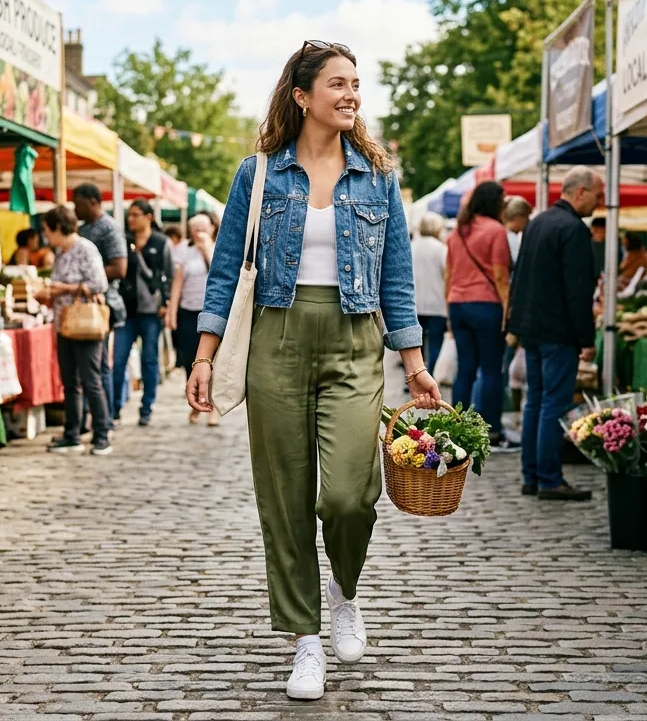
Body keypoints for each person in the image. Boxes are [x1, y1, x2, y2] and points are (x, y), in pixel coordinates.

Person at [186, 40, 441, 702]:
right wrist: (205, 353)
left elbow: (396, 277)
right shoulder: (260, 173)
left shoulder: (378, 175)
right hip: (277, 337)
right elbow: (223, 275)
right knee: (286, 500)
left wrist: (414, 364)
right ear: (301, 96)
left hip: (355, 339)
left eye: (356, 83)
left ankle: (344, 591)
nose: (351, 94)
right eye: (337, 83)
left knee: (350, 496)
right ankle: (304, 641)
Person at [509, 165, 604, 502]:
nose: (600, 202)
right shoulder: (574, 230)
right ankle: (549, 478)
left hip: (532, 327)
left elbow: (519, 278)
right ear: (580, 192)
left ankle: (532, 476)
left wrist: (515, 325)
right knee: (553, 404)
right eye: (598, 195)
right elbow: (578, 292)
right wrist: (586, 339)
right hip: (557, 331)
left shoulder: (537, 222)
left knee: (535, 400)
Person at [40, 206, 113, 455]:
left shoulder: (85, 248)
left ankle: (102, 434)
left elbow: (99, 284)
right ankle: (72, 433)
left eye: (48, 230)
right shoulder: (61, 252)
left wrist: (62, 288)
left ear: (59, 227)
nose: (46, 236)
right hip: (64, 325)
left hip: (85, 326)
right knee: (70, 382)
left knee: (91, 380)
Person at [445, 180, 511, 448]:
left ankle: (456, 425)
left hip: (457, 304)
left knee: (466, 369)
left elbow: (448, 275)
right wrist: (508, 311)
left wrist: (449, 310)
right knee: (492, 370)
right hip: (486, 305)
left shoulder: (457, 232)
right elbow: (499, 275)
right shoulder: (496, 231)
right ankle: (491, 429)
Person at [73, 182, 128, 430]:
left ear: (93, 202)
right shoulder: (83, 229)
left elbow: (119, 268)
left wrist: (88, 278)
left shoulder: (109, 229)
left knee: (99, 366)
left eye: (78, 203)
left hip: (101, 307)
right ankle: (91, 418)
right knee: (87, 368)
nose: (75, 208)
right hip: (82, 307)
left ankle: (105, 420)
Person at [114, 199, 172, 426]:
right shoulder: (124, 241)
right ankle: (114, 409)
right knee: (118, 361)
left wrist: (166, 302)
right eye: (129, 215)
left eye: (135, 214)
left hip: (151, 311)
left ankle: (146, 407)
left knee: (149, 359)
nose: (130, 219)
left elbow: (168, 274)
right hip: (127, 310)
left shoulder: (160, 242)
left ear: (148, 217)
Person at [168, 211, 220, 426]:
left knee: (214, 360)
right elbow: (177, 282)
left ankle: (214, 408)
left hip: (213, 311)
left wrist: (207, 250)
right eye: (195, 229)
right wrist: (172, 311)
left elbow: (220, 275)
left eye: (202, 228)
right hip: (188, 311)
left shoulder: (218, 247)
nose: (198, 233)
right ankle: (198, 403)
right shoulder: (183, 251)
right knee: (191, 359)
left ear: (212, 228)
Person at [412, 213, 449, 375]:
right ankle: (431, 375)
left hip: (414, 303)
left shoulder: (411, 246)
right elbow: (447, 275)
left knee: (415, 345)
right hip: (437, 304)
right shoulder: (441, 249)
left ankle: (414, 375)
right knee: (435, 344)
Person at [502, 196, 531, 264]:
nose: (528, 221)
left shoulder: (500, 234)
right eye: (526, 217)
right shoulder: (513, 239)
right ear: (517, 216)